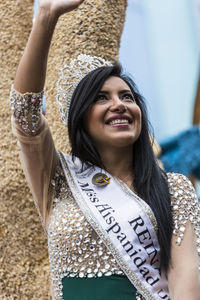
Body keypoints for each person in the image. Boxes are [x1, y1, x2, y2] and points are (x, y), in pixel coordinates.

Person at [9, 1, 200, 299]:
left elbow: (185, 276)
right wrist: (45, 18)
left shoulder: (173, 188)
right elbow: (25, 114)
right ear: (81, 118)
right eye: (101, 98)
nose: (119, 104)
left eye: (127, 96)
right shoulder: (58, 179)